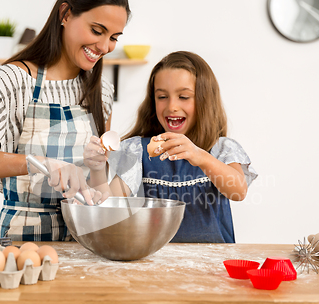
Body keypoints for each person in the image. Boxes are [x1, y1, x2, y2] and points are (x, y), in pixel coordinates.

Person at [0, 0, 130, 241]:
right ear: (65, 13)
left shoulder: (101, 91)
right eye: (97, 30)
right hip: (23, 246)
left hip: (84, 245)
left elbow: (97, 185)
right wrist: (40, 164)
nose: (105, 46)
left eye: (114, 37)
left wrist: (99, 173)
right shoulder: (15, 81)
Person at [88, 51, 258, 243]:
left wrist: (201, 156)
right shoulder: (140, 151)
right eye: (162, 96)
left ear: (205, 100)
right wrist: (97, 170)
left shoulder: (222, 149)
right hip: (157, 264)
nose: (172, 106)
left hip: (212, 266)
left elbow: (238, 191)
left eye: (184, 96)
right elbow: (108, 204)